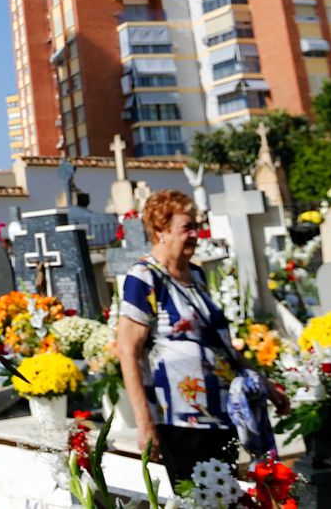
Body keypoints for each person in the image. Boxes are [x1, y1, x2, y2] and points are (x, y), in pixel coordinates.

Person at [116, 190, 287, 481]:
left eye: (196, 225)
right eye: (187, 227)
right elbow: (127, 351)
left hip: (222, 414)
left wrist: (267, 386)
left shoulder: (195, 275)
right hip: (179, 420)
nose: (195, 234)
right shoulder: (144, 277)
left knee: (226, 495)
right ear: (161, 232)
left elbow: (220, 346)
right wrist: (144, 422)